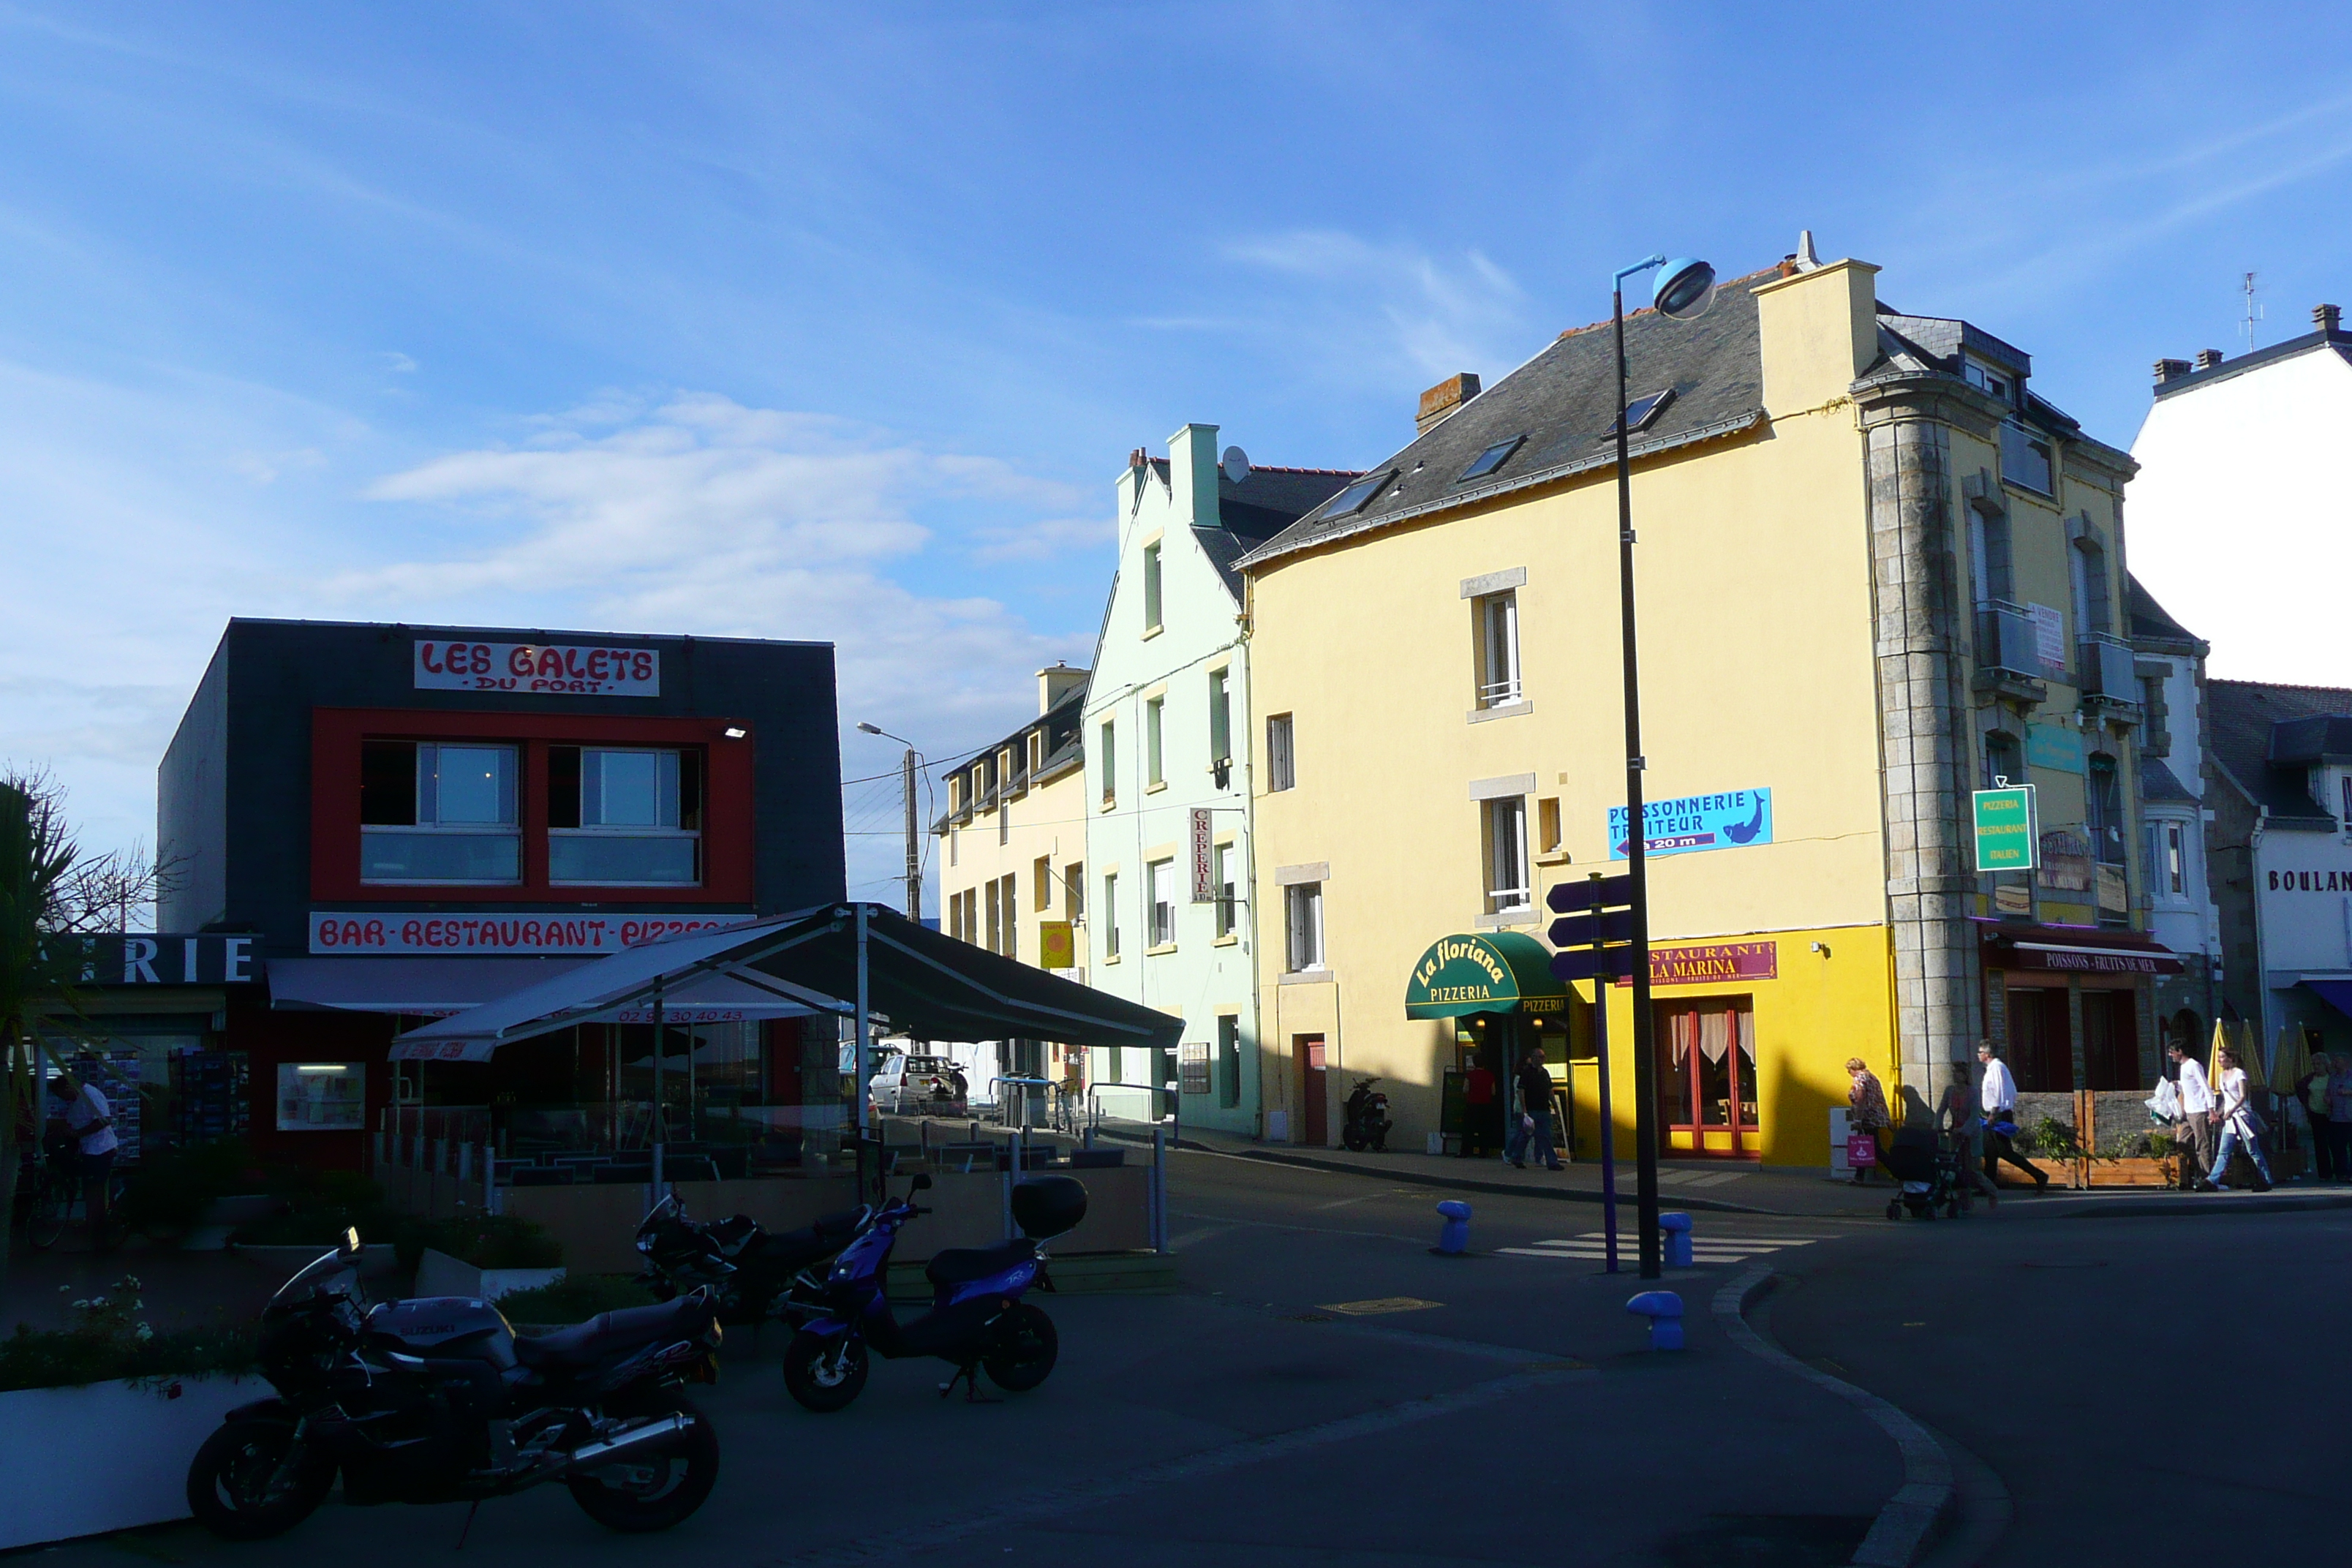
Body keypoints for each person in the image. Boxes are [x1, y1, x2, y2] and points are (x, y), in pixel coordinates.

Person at [46, 1071, 118, 1239]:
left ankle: (96, 1227)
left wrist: (79, 1134)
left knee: (95, 1188)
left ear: (69, 1087)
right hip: (88, 1149)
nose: (64, 1099)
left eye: (63, 1094)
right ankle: (93, 1223)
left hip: (100, 1148)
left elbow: (104, 1120)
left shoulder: (90, 1095)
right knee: (90, 1188)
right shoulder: (75, 1101)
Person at [1977, 1041, 2048, 1193]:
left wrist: (1993, 1113)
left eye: (1981, 1052)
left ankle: (2039, 1175)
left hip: (1997, 1114)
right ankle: (1988, 1187)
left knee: (2004, 1151)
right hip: (1995, 1113)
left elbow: (1999, 1092)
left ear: (1988, 1054)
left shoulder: (1996, 1068)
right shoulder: (1993, 1068)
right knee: (1990, 1152)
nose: (1979, 1054)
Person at [2207, 1044, 2274, 1192]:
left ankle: (2266, 1179)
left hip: (2243, 1116)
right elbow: (2226, 1099)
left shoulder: (2240, 1074)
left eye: (2222, 1057)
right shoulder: (2221, 1076)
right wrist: (2218, 1113)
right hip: (2230, 1118)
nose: (2219, 1060)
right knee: (2224, 1151)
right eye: (2218, 1057)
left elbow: (2243, 1096)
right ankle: (2212, 1180)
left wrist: (2232, 1110)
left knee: (2253, 1150)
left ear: (2230, 1059)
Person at [1938, 1062, 1999, 1210]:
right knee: (1957, 1167)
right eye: (1954, 1073)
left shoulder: (1972, 1092)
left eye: (1958, 1073)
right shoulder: (1949, 1091)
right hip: (1955, 1133)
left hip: (1971, 1134)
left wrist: (1964, 1130)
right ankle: (1965, 1201)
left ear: (1965, 1076)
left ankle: (1992, 1192)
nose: (1955, 1076)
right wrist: (1937, 1126)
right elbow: (1941, 1110)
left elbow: (1973, 1115)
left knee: (1972, 1169)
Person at [2169, 1041, 2217, 1190]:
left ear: (2180, 1051)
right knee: (2181, 1142)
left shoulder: (2194, 1065)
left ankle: (2208, 1179)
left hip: (2199, 1110)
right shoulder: (2184, 1068)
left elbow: (2205, 1086)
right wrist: (2176, 1084)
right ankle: (2199, 1171)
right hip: (2188, 1111)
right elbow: (2188, 1086)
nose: (2170, 1055)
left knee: (2202, 1145)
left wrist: (2211, 1110)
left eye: (2172, 1052)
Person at [1507, 1047, 1564, 1170]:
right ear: (1533, 1058)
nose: (1543, 1059)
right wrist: (1524, 1110)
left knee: (1547, 1136)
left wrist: (1555, 1105)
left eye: (1543, 1057)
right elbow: (1521, 1091)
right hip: (1531, 1109)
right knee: (1526, 1135)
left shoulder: (1545, 1073)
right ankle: (1516, 1157)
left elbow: (1550, 1090)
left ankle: (1552, 1162)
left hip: (1544, 1109)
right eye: (1540, 1057)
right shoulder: (1526, 1073)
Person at [1846, 1058, 1891, 1184]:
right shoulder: (1872, 1077)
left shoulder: (1860, 1078)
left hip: (1867, 1118)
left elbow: (1860, 1098)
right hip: (1877, 1117)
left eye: (1849, 1070)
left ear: (1854, 1069)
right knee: (1866, 1146)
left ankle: (1898, 1171)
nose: (1849, 1073)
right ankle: (1859, 1176)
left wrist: (1858, 1119)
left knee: (1874, 1148)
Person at [2294, 1052, 2336, 1181]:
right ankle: (2325, 1173)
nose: (2317, 1067)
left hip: (2331, 1113)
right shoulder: (2310, 1079)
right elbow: (2299, 1087)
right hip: (2315, 1113)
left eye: (2319, 1064)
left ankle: (2340, 1170)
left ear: (2325, 1065)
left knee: (2335, 1143)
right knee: (2320, 1144)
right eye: (2315, 1064)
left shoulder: (2332, 1078)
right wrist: (2307, 1104)